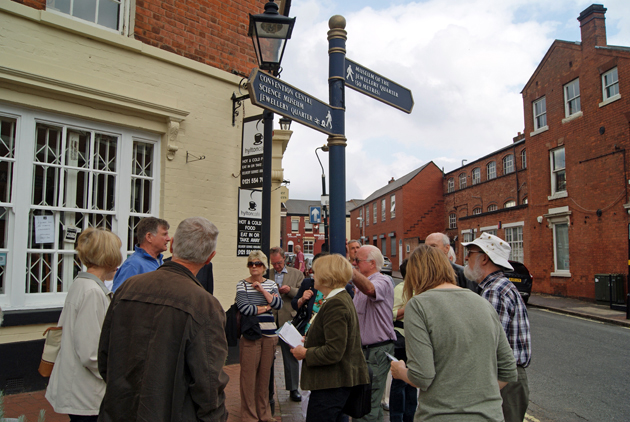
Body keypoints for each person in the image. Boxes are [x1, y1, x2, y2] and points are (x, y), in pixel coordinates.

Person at [98, 217, 228, 421]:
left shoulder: (127, 287)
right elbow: (209, 386)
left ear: (173, 244)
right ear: (209, 257)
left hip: (119, 411)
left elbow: (106, 357)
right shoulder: (205, 305)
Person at [390, 244, 517, 421]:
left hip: (441, 415)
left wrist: (400, 371)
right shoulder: (482, 302)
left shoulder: (419, 305)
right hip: (490, 415)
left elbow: (422, 376)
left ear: (414, 274)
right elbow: (509, 370)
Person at [45, 228, 122, 421]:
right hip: (87, 393)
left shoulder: (81, 284)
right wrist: (116, 377)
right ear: (109, 255)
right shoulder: (92, 292)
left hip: (80, 388)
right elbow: (90, 353)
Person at [291, 254, 370, 422]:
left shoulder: (336, 303)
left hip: (332, 384)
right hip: (335, 382)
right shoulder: (338, 299)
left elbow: (334, 351)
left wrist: (305, 353)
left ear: (327, 276)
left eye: (316, 271)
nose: (312, 274)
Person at [462, 233, 532, 422]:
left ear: (484, 258)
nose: (466, 258)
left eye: (470, 252)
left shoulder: (493, 290)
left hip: (503, 378)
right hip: (508, 376)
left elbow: (489, 343)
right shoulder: (498, 286)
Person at [351, 245, 396, 422]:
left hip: (375, 351)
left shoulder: (382, 281)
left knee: (366, 405)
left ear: (371, 263)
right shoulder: (362, 283)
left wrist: (350, 272)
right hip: (367, 351)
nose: (354, 264)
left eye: (357, 261)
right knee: (369, 404)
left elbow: (370, 289)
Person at [237, 250, 282, 422]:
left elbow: (278, 304)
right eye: (251, 264)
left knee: (264, 378)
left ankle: (264, 414)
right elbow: (245, 309)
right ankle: (249, 416)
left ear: (264, 266)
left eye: (258, 264)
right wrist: (266, 307)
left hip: (270, 335)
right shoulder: (242, 284)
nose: (254, 267)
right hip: (250, 335)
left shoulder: (270, 284)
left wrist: (262, 290)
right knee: (248, 378)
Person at [269, 246, 304, 402]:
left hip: (288, 319)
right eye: (274, 264)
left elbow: (303, 294)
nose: (276, 266)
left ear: (284, 259)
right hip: (270, 319)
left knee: (290, 355)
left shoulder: (296, 274)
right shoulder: (267, 274)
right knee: (268, 355)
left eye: (279, 263)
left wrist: (289, 290)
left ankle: (293, 389)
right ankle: (268, 389)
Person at [388, 259, 417, 422]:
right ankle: (397, 418)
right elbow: (389, 313)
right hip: (401, 339)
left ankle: (409, 417)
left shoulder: (419, 289)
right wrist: (408, 309)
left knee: (412, 382)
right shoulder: (400, 289)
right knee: (400, 382)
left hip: (414, 340)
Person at [112, 217, 170, 292]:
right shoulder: (132, 265)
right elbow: (118, 296)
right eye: (164, 234)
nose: (168, 239)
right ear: (149, 237)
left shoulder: (160, 262)